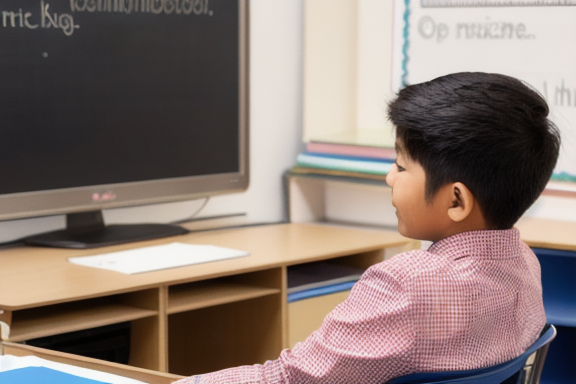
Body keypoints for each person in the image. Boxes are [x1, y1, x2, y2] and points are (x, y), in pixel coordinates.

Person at [173, 72, 561, 384]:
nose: (390, 178)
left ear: (456, 201)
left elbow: (290, 379)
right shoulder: (525, 265)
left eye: (401, 166)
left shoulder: (405, 287)